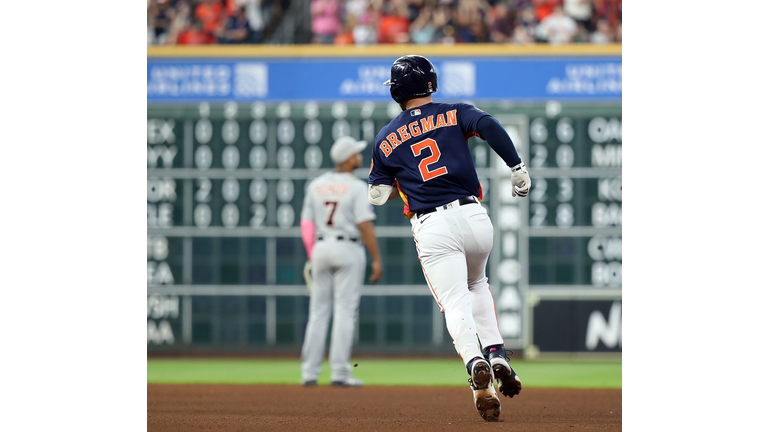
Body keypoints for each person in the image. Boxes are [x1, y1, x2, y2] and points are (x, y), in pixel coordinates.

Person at [368, 55, 529, 422]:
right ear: (431, 83)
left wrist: (404, 185)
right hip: (474, 216)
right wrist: (516, 167)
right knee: (478, 284)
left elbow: (376, 196)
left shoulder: (385, 137)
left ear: (396, 91)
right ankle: (498, 354)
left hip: (433, 225)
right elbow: (489, 125)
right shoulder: (456, 111)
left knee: (455, 300)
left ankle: (475, 362)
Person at [300, 136, 383, 387]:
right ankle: (339, 372)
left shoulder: (315, 185)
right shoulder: (357, 187)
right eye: (356, 153)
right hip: (348, 247)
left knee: (318, 313)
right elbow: (365, 225)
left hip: (321, 246)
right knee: (345, 312)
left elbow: (306, 224)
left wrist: (312, 254)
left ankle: (309, 373)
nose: (360, 156)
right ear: (348, 159)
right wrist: (376, 259)